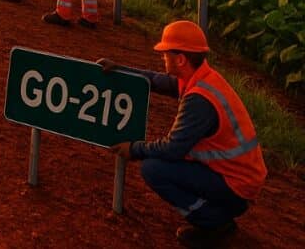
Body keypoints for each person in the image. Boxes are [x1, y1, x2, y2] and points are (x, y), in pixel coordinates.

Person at [99, 21, 267, 248]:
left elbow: (172, 148)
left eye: (165, 53)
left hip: (236, 187)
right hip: (237, 176)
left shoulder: (199, 99)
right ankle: (216, 214)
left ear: (180, 59)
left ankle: (215, 223)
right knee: (158, 165)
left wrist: (134, 149)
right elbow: (158, 81)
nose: (162, 57)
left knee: (153, 169)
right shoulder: (202, 77)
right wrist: (121, 71)